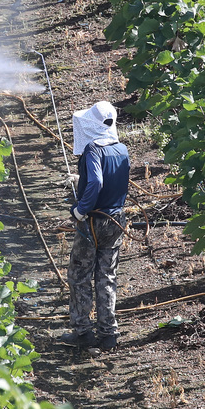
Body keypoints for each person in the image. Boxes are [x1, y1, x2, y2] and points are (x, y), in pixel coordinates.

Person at [59, 101, 130, 351]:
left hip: (93, 222)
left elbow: (98, 182)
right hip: (116, 221)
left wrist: (80, 210)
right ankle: (109, 335)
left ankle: (82, 332)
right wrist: (82, 178)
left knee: (79, 275)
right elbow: (114, 181)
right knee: (106, 275)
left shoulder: (92, 150)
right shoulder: (121, 149)